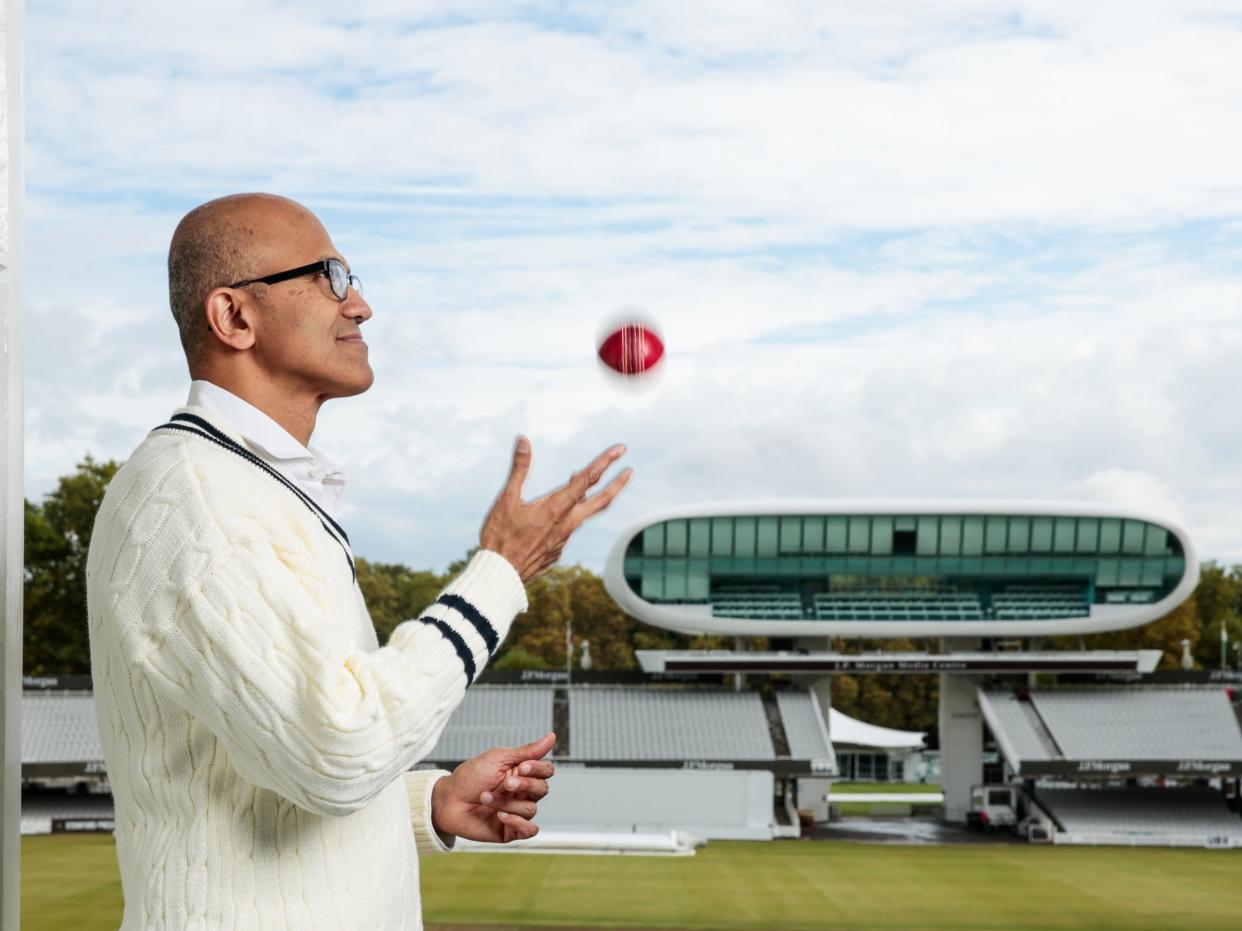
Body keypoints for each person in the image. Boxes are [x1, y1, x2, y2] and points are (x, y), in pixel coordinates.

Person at [85, 193, 631, 930]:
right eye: (329, 276)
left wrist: (429, 804)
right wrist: (499, 572)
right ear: (233, 317)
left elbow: (270, 765)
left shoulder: (243, 486)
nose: (362, 305)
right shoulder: (197, 498)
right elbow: (339, 748)